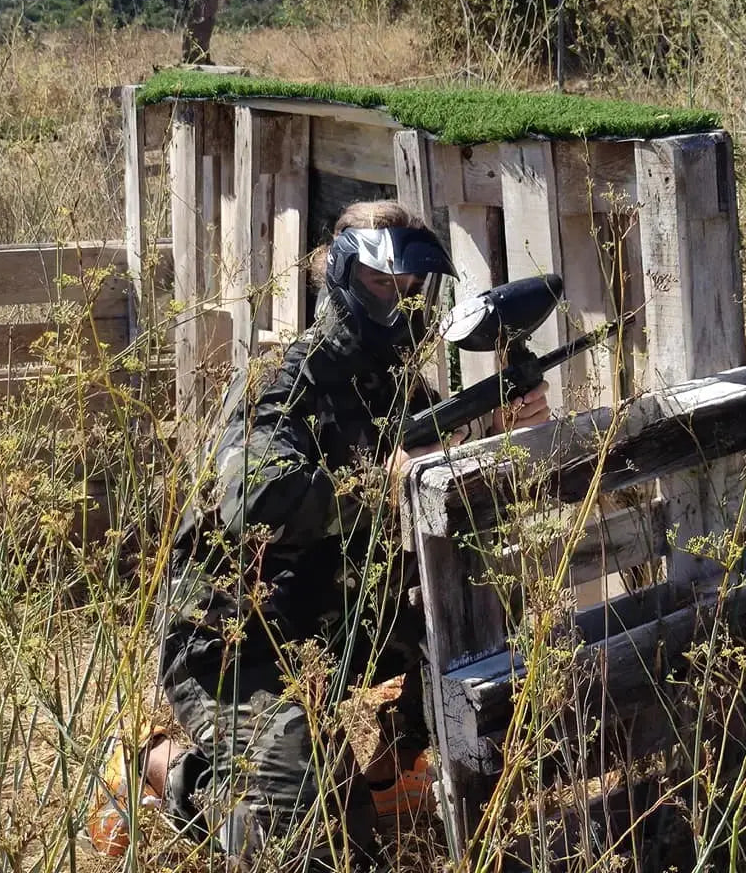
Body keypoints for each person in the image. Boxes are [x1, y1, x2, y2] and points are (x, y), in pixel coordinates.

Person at [91, 201, 550, 867]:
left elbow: (426, 481)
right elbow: (251, 494)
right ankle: (163, 772)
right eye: (379, 284)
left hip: (331, 617)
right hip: (231, 638)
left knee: (479, 625)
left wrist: (494, 431)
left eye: (409, 288)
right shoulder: (283, 382)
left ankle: (386, 778)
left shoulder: (397, 389)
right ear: (341, 277)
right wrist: (373, 482)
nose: (396, 303)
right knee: (312, 835)